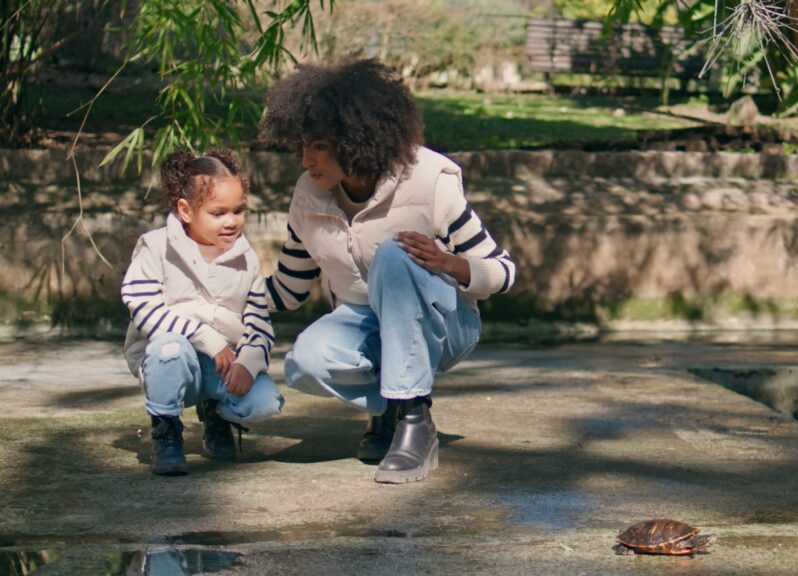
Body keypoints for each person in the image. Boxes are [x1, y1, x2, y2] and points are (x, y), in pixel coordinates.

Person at [261, 58, 516, 484]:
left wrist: (449, 263)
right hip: (366, 324)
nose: (306, 159)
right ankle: (390, 407)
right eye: (302, 145)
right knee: (304, 362)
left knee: (395, 256)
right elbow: (288, 289)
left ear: (357, 139)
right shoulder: (308, 196)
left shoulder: (429, 182)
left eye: (320, 145)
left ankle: (416, 420)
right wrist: (220, 300)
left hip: (445, 325)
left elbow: (504, 272)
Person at [121, 148, 284, 476]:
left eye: (239, 211)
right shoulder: (156, 247)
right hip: (171, 359)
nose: (231, 221)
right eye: (218, 212)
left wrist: (249, 363)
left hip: (222, 365)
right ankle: (166, 429)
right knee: (171, 348)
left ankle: (217, 414)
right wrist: (203, 334)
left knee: (265, 401)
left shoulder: (245, 257)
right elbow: (142, 304)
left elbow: (258, 320)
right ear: (185, 209)